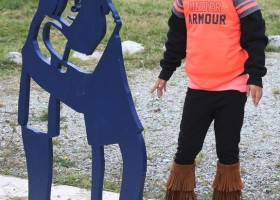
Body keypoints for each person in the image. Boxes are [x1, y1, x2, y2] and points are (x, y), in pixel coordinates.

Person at [150, 0, 268, 199]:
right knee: (186, 149)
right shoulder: (183, 2)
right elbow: (177, 39)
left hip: (232, 86)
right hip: (198, 87)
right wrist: (165, 73)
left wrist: (255, 77)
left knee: (227, 150)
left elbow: (255, 39)